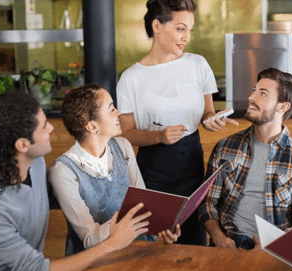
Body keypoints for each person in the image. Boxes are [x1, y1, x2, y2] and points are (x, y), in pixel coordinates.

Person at [0, 91, 151, 271]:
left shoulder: (36, 163)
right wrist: (113, 242)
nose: (51, 128)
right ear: (23, 145)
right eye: (43, 126)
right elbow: (37, 268)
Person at [116, 0, 238, 246]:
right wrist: (159, 136)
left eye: (189, 30)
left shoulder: (198, 65)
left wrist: (211, 121)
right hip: (152, 171)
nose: (186, 37)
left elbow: (206, 113)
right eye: (180, 29)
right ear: (157, 26)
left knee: (193, 242)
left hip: (191, 165)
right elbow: (126, 133)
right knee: (154, 245)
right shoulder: (131, 78)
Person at [49, 84, 180, 256]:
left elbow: (143, 203)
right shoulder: (63, 171)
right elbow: (89, 239)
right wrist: (126, 222)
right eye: (111, 109)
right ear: (91, 126)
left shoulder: (123, 146)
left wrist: (160, 228)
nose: (118, 113)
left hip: (138, 251)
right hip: (96, 261)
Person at [199, 68, 292, 250]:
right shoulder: (226, 147)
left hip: (275, 252)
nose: (251, 97)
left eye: (262, 93)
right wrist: (218, 237)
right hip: (225, 245)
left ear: (282, 106)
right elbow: (207, 203)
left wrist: (272, 250)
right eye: (254, 90)